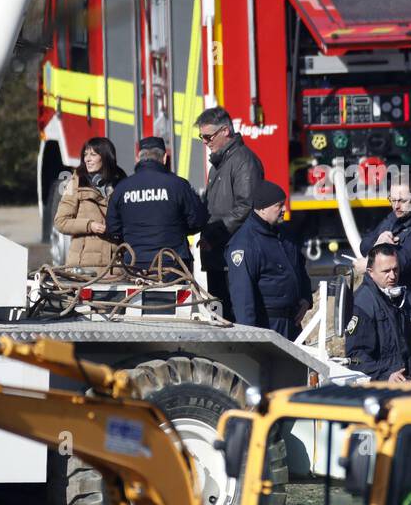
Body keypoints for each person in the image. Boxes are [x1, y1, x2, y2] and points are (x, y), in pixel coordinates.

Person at [353, 176, 411, 345]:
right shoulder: (395, 217)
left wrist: (368, 265)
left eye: (402, 200)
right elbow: (364, 245)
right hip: (390, 306)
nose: (396, 205)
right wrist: (378, 241)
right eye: (392, 200)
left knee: (407, 365)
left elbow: (404, 261)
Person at [196, 106, 264, 320]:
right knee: (221, 314)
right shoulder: (219, 162)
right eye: (202, 137)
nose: (205, 142)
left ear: (225, 131)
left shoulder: (243, 160)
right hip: (218, 253)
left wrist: (214, 236)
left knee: (236, 316)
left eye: (208, 136)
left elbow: (246, 206)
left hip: (233, 254)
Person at [106, 136, 209, 270]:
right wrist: (176, 229)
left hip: (134, 264)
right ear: (165, 158)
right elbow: (198, 220)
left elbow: (112, 228)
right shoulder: (178, 185)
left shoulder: (121, 188)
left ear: (138, 158)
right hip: (172, 263)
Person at [226, 180, 312, 339]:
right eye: (279, 206)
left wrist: (306, 298)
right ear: (262, 210)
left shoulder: (285, 234)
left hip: (292, 324)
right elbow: (242, 297)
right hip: (267, 326)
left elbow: (299, 267)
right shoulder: (245, 244)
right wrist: (250, 338)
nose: (285, 209)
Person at [344, 243, 411, 382]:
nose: (392, 276)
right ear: (370, 272)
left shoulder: (397, 296)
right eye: (386, 271)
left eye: (395, 269)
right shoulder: (362, 305)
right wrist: (386, 376)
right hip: (381, 387)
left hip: (403, 381)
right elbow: (356, 358)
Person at [53, 137, 126, 268]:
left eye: (93, 154)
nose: (87, 159)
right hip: (83, 268)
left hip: (116, 267)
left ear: (106, 157)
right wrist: (90, 225)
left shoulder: (122, 183)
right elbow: (60, 222)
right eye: (85, 154)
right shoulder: (74, 182)